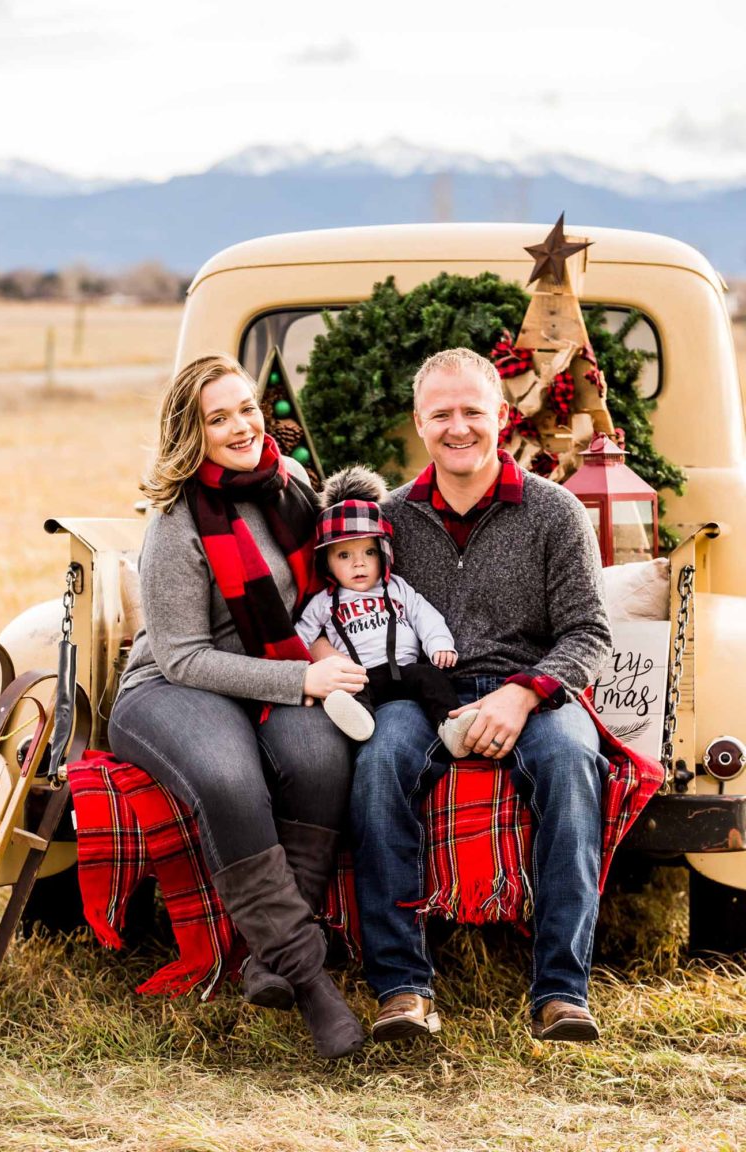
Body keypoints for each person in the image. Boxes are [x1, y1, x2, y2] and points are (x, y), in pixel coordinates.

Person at [348, 347, 613, 1044]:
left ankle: (561, 992)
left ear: (502, 415)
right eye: (442, 413)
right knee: (378, 766)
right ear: (419, 422)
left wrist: (523, 696)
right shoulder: (389, 521)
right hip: (419, 694)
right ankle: (403, 989)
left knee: (572, 766)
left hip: (533, 693)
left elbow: (588, 633)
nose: (458, 426)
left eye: (473, 411)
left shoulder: (554, 514)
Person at [108, 354, 367, 1059]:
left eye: (246, 408)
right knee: (230, 779)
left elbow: (315, 598)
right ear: (192, 434)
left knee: (320, 760)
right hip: (172, 688)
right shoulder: (175, 523)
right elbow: (184, 655)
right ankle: (310, 980)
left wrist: (317, 663)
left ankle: (264, 961)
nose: (241, 426)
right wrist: (302, 685)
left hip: (271, 671)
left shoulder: (290, 489)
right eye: (218, 418)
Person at [294, 465, 479, 758]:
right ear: (326, 563)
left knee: (432, 680)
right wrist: (303, 673)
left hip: (405, 670)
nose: (359, 564)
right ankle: (360, 721)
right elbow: (300, 637)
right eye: (344, 555)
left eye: (369, 552)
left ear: (385, 554)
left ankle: (450, 727)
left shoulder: (397, 588)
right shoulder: (325, 601)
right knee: (351, 692)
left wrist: (439, 644)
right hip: (363, 676)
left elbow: (425, 616)